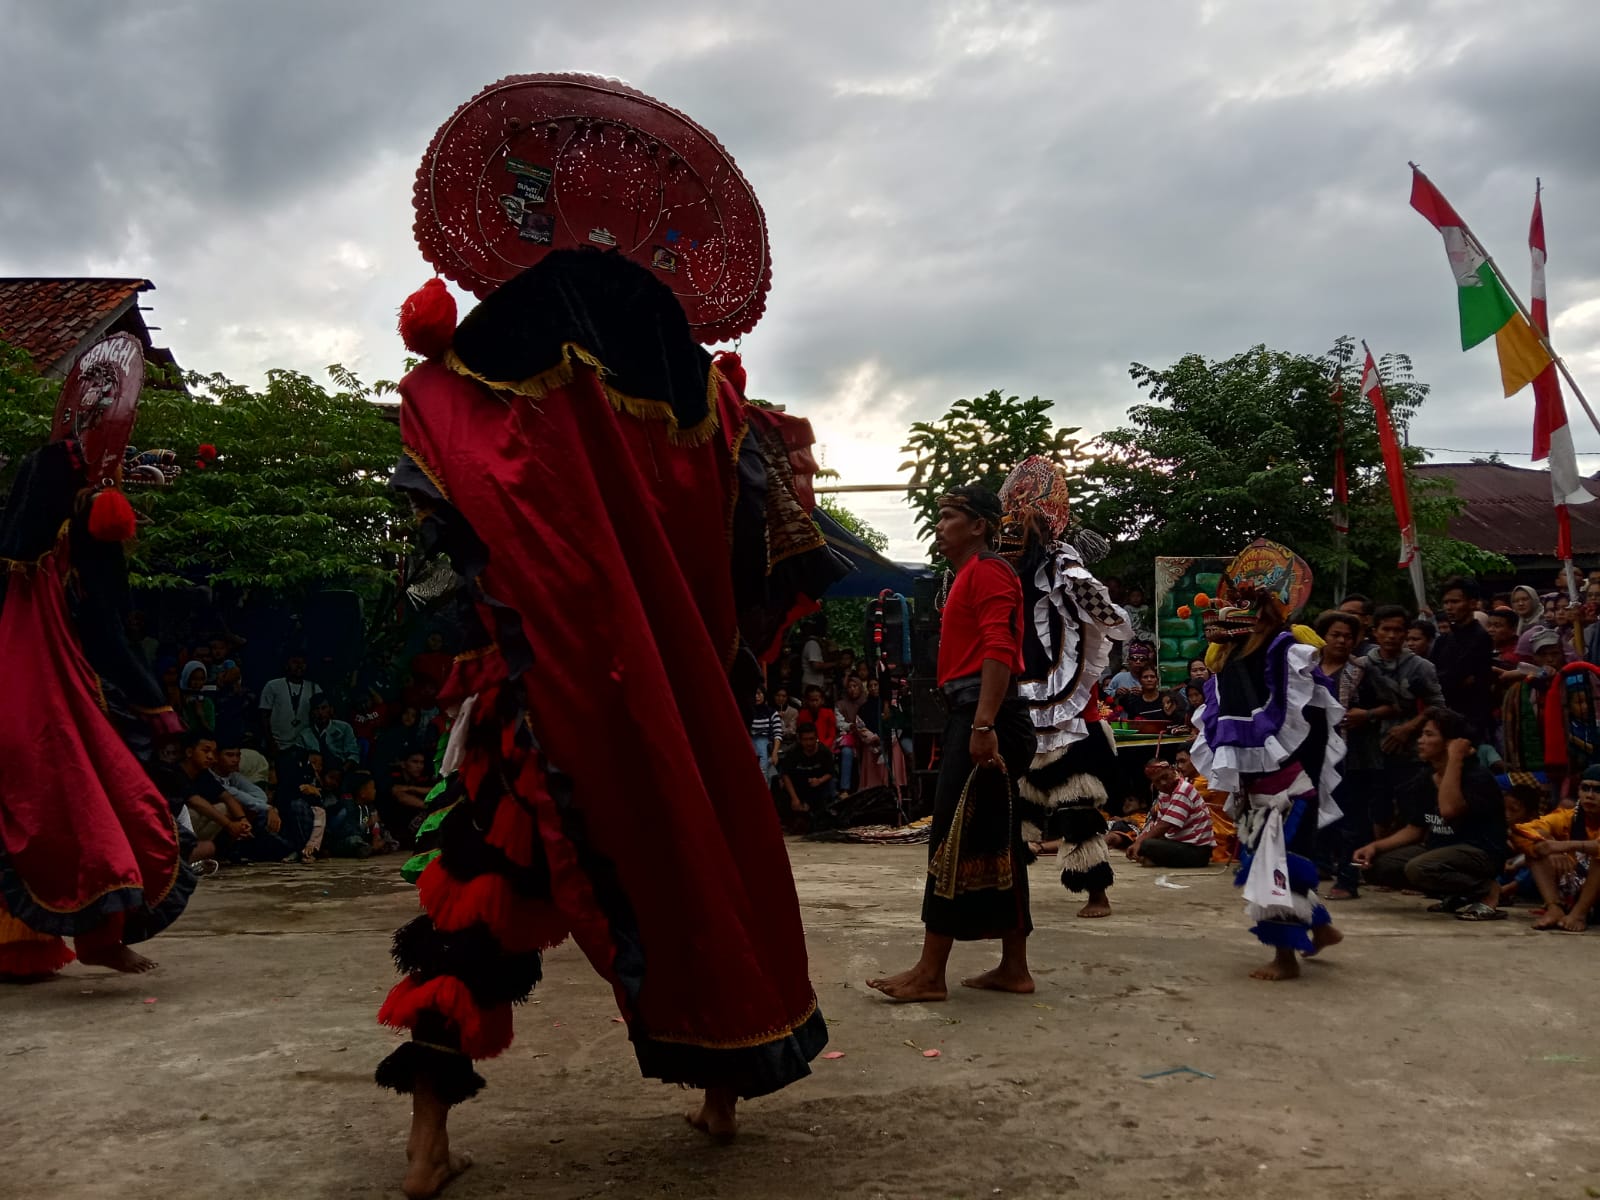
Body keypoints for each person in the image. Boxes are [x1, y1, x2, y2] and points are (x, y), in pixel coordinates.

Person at [375, 84, 844, 1195]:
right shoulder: (709, 391)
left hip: (539, 696)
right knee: (694, 878)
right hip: (674, 700)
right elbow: (761, 569)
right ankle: (721, 1089)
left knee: (471, 910)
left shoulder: (492, 349)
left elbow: (449, 532)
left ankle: (428, 1141)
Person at [0, 391, 195, 979]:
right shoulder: (78, 529)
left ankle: (31, 944)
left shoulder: (24, 553)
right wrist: (158, 705)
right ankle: (98, 937)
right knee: (102, 801)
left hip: (35, 686)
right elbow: (109, 627)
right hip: (52, 695)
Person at [869, 484, 1036, 1003]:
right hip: (981, 715)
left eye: (948, 516)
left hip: (986, 718)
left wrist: (983, 725)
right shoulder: (968, 575)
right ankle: (1014, 968)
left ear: (979, 525)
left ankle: (930, 972)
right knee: (996, 841)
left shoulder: (987, 571)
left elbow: (1000, 647)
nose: (939, 525)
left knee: (951, 838)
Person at [1189, 539, 1345, 981]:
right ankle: (1322, 928)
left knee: (1274, 863)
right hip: (1258, 783)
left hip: (1288, 782)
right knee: (1266, 857)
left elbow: (1309, 718)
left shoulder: (1285, 650)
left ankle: (1285, 957)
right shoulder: (1230, 657)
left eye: (1246, 602)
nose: (1233, 611)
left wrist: (1295, 774)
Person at [993, 456, 1127, 917]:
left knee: (1076, 796)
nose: (1015, 530)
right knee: (1018, 797)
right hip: (1019, 686)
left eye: (1024, 522)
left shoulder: (1065, 563)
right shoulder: (999, 566)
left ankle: (1096, 891)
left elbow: (1106, 614)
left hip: (1067, 695)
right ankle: (1005, 883)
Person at [1353, 708, 1506, 920]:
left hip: (1479, 852)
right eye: (1422, 734)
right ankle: (1458, 895)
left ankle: (1486, 890)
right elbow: (1415, 829)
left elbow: (1449, 810)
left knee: (1420, 868)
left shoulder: (1476, 776)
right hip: (1439, 849)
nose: (1420, 741)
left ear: (1452, 742)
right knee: (1376, 867)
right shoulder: (1426, 778)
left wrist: (1454, 759)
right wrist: (1374, 846)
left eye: (1429, 735)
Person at [1362, 605, 1446, 833]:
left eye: (1398, 630)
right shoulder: (1363, 665)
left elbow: (1438, 705)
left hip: (1411, 752)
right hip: (1371, 749)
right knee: (1377, 807)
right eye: (1385, 629)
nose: (1391, 635)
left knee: (1412, 806)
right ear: (1375, 631)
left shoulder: (1421, 666)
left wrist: (1409, 727)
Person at [1314, 610, 1367, 900]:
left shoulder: (1361, 670)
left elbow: (1385, 705)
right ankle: (1320, 863)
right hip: (1314, 748)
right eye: (1336, 634)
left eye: (1348, 636)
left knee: (1350, 817)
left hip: (1351, 751)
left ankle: (1348, 878)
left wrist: (1366, 715)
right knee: (1317, 809)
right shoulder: (1308, 668)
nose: (1343, 641)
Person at [1515, 764, 1600, 931]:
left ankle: (1579, 914)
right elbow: (1520, 831)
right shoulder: (1568, 816)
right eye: (1585, 788)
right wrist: (1547, 843)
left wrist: (1563, 846)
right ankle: (1554, 908)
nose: (1590, 795)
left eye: (1598, 790)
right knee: (1536, 848)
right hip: (1576, 886)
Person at [1431, 578, 1496, 743]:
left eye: (1455, 601)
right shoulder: (1443, 640)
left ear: (1473, 603)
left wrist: (1450, 680)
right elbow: (1432, 675)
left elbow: (1456, 675)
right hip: (1445, 713)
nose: (1449, 607)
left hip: (1471, 718)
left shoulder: (1480, 637)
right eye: (1445, 602)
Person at [1127, 759, 1217, 868]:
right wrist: (1139, 841)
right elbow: (1159, 825)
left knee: (1146, 844)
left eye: (1165, 777)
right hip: (1181, 844)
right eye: (1157, 781)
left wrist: (1139, 842)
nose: (1163, 783)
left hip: (1197, 851)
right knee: (1146, 843)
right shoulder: (1163, 794)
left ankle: (1154, 860)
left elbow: (1165, 825)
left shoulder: (1183, 789)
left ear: (1172, 771)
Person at [260, 654, 324, 755]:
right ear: (286, 665)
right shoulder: (273, 685)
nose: (299, 666)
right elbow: (264, 715)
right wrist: (270, 741)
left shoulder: (314, 688)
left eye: (303, 663)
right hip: (278, 744)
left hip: (304, 745)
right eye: (295, 662)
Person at [778, 722, 836, 816]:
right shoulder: (793, 752)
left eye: (811, 739)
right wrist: (794, 798)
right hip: (797, 786)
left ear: (816, 738)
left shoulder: (824, 752)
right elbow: (786, 774)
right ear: (800, 740)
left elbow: (830, 772)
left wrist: (819, 781)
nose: (809, 743)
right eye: (805, 740)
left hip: (817, 787)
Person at [312, 698, 361, 772]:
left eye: (324, 708)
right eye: (316, 709)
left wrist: (342, 771)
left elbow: (353, 754)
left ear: (330, 709)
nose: (320, 712)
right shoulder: (305, 734)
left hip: (343, 769)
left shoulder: (344, 727)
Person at [749, 686, 782, 781]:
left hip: (766, 748)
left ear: (764, 695)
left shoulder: (771, 712)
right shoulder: (746, 713)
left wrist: (775, 753)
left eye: (759, 694)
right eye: (754, 694)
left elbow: (778, 734)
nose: (756, 697)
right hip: (750, 747)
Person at [800, 685, 839, 752]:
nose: (814, 703)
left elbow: (831, 736)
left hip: (825, 749)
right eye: (812, 700)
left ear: (822, 700)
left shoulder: (829, 713)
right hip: (806, 749)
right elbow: (800, 735)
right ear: (807, 701)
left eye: (816, 700)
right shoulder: (802, 714)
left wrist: (821, 748)